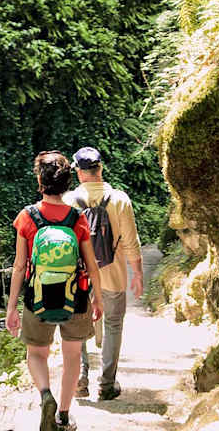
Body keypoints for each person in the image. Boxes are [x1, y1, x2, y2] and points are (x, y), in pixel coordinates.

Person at [6, 151, 105, 431]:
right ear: (67, 182)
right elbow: (91, 264)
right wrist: (98, 298)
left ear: (40, 181)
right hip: (75, 298)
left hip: (37, 298)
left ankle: (45, 395)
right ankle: (63, 414)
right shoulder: (77, 218)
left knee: (37, 354)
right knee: (72, 356)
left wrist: (12, 308)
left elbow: (19, 266)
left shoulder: (27, 217)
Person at [65, 146, 143, 401]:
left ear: (79, 172)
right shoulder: (120, 199)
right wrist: (138, 274)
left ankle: (80, 379)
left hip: (78, 276)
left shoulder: (68, 201)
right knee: (113, 324)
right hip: (113, 274)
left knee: (77, 325)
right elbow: (131, 242)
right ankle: (106, 384)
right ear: (100, 168)